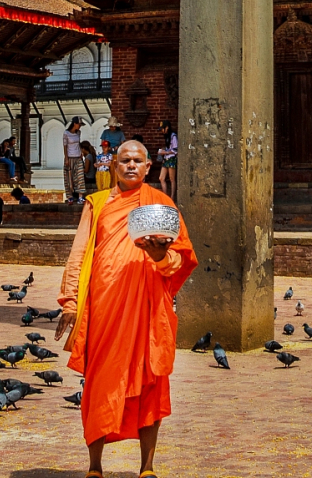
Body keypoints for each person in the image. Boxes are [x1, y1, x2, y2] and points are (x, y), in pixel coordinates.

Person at [57, 141, 197, 478]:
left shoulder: (162, 204)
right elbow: (79, 254)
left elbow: (180, 261)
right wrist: (71, 301)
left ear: (149, 167)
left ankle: (147, 467)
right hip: (104, 305)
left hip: (149, 308)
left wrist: (160, 256)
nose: (131, 166)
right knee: (100, 383)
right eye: (124, 161)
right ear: (113, 167)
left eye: (137, 161)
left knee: (151, 381)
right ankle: (95, 467)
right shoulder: (97, 204)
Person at [63, 118, 87, 203]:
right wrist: (66, 158)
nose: (80, 126)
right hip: (70, 157)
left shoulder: (78, 133)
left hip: (78, 157)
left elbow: (78, 143)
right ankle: (70, 196)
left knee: (80, 177)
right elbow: (65, 146)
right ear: (74, 124)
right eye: (79, 124)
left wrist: (81, 152)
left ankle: (80, 196)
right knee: (69, 177)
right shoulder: (66, 133)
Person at [157, 123, 178, 196]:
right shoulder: (167, 136)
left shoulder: (173, 136)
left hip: (171, 158)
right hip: (166, 158)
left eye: (163, 129)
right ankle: (165, 196)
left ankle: (172, 197)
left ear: (167, 127)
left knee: (172, 179)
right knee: (161, 178)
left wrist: (165, 152)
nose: (162, 131)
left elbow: (175, 150)